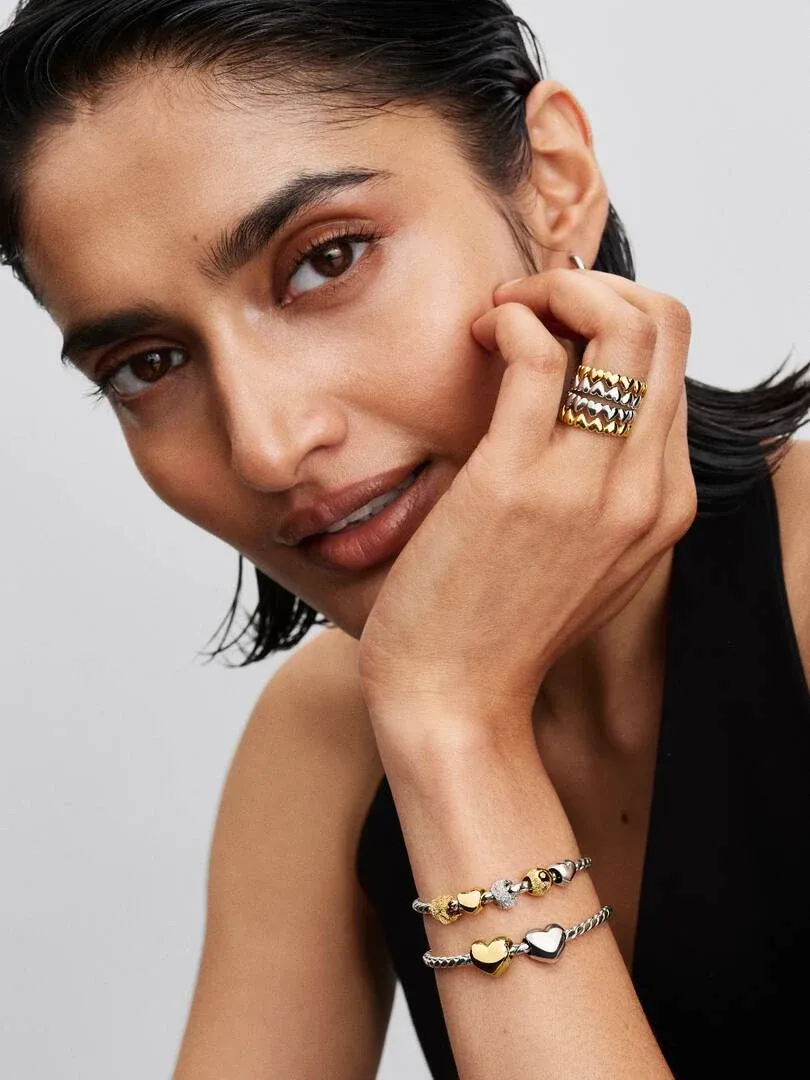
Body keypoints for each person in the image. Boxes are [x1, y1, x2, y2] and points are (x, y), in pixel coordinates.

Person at [1, 1, 808, 1076]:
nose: (269, 446)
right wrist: (446, 709)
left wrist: (451, 719)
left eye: (326, 259)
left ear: (554, 180)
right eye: (147, 364)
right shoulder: (330, 738)